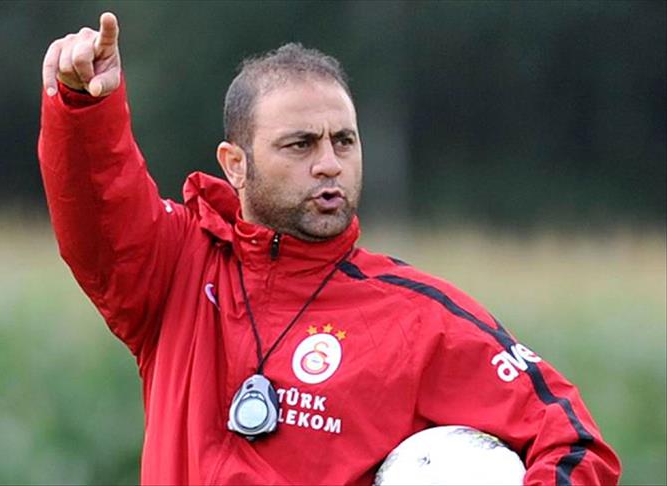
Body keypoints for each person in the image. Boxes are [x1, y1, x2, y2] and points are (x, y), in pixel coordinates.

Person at [39, 12, 621, 486]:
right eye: (300, 144)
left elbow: (574, 445)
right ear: (235, 164)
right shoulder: (178, 270)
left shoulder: (419, 319)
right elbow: (98, 206)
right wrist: (83, 107)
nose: (329, 164)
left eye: (344, 141)